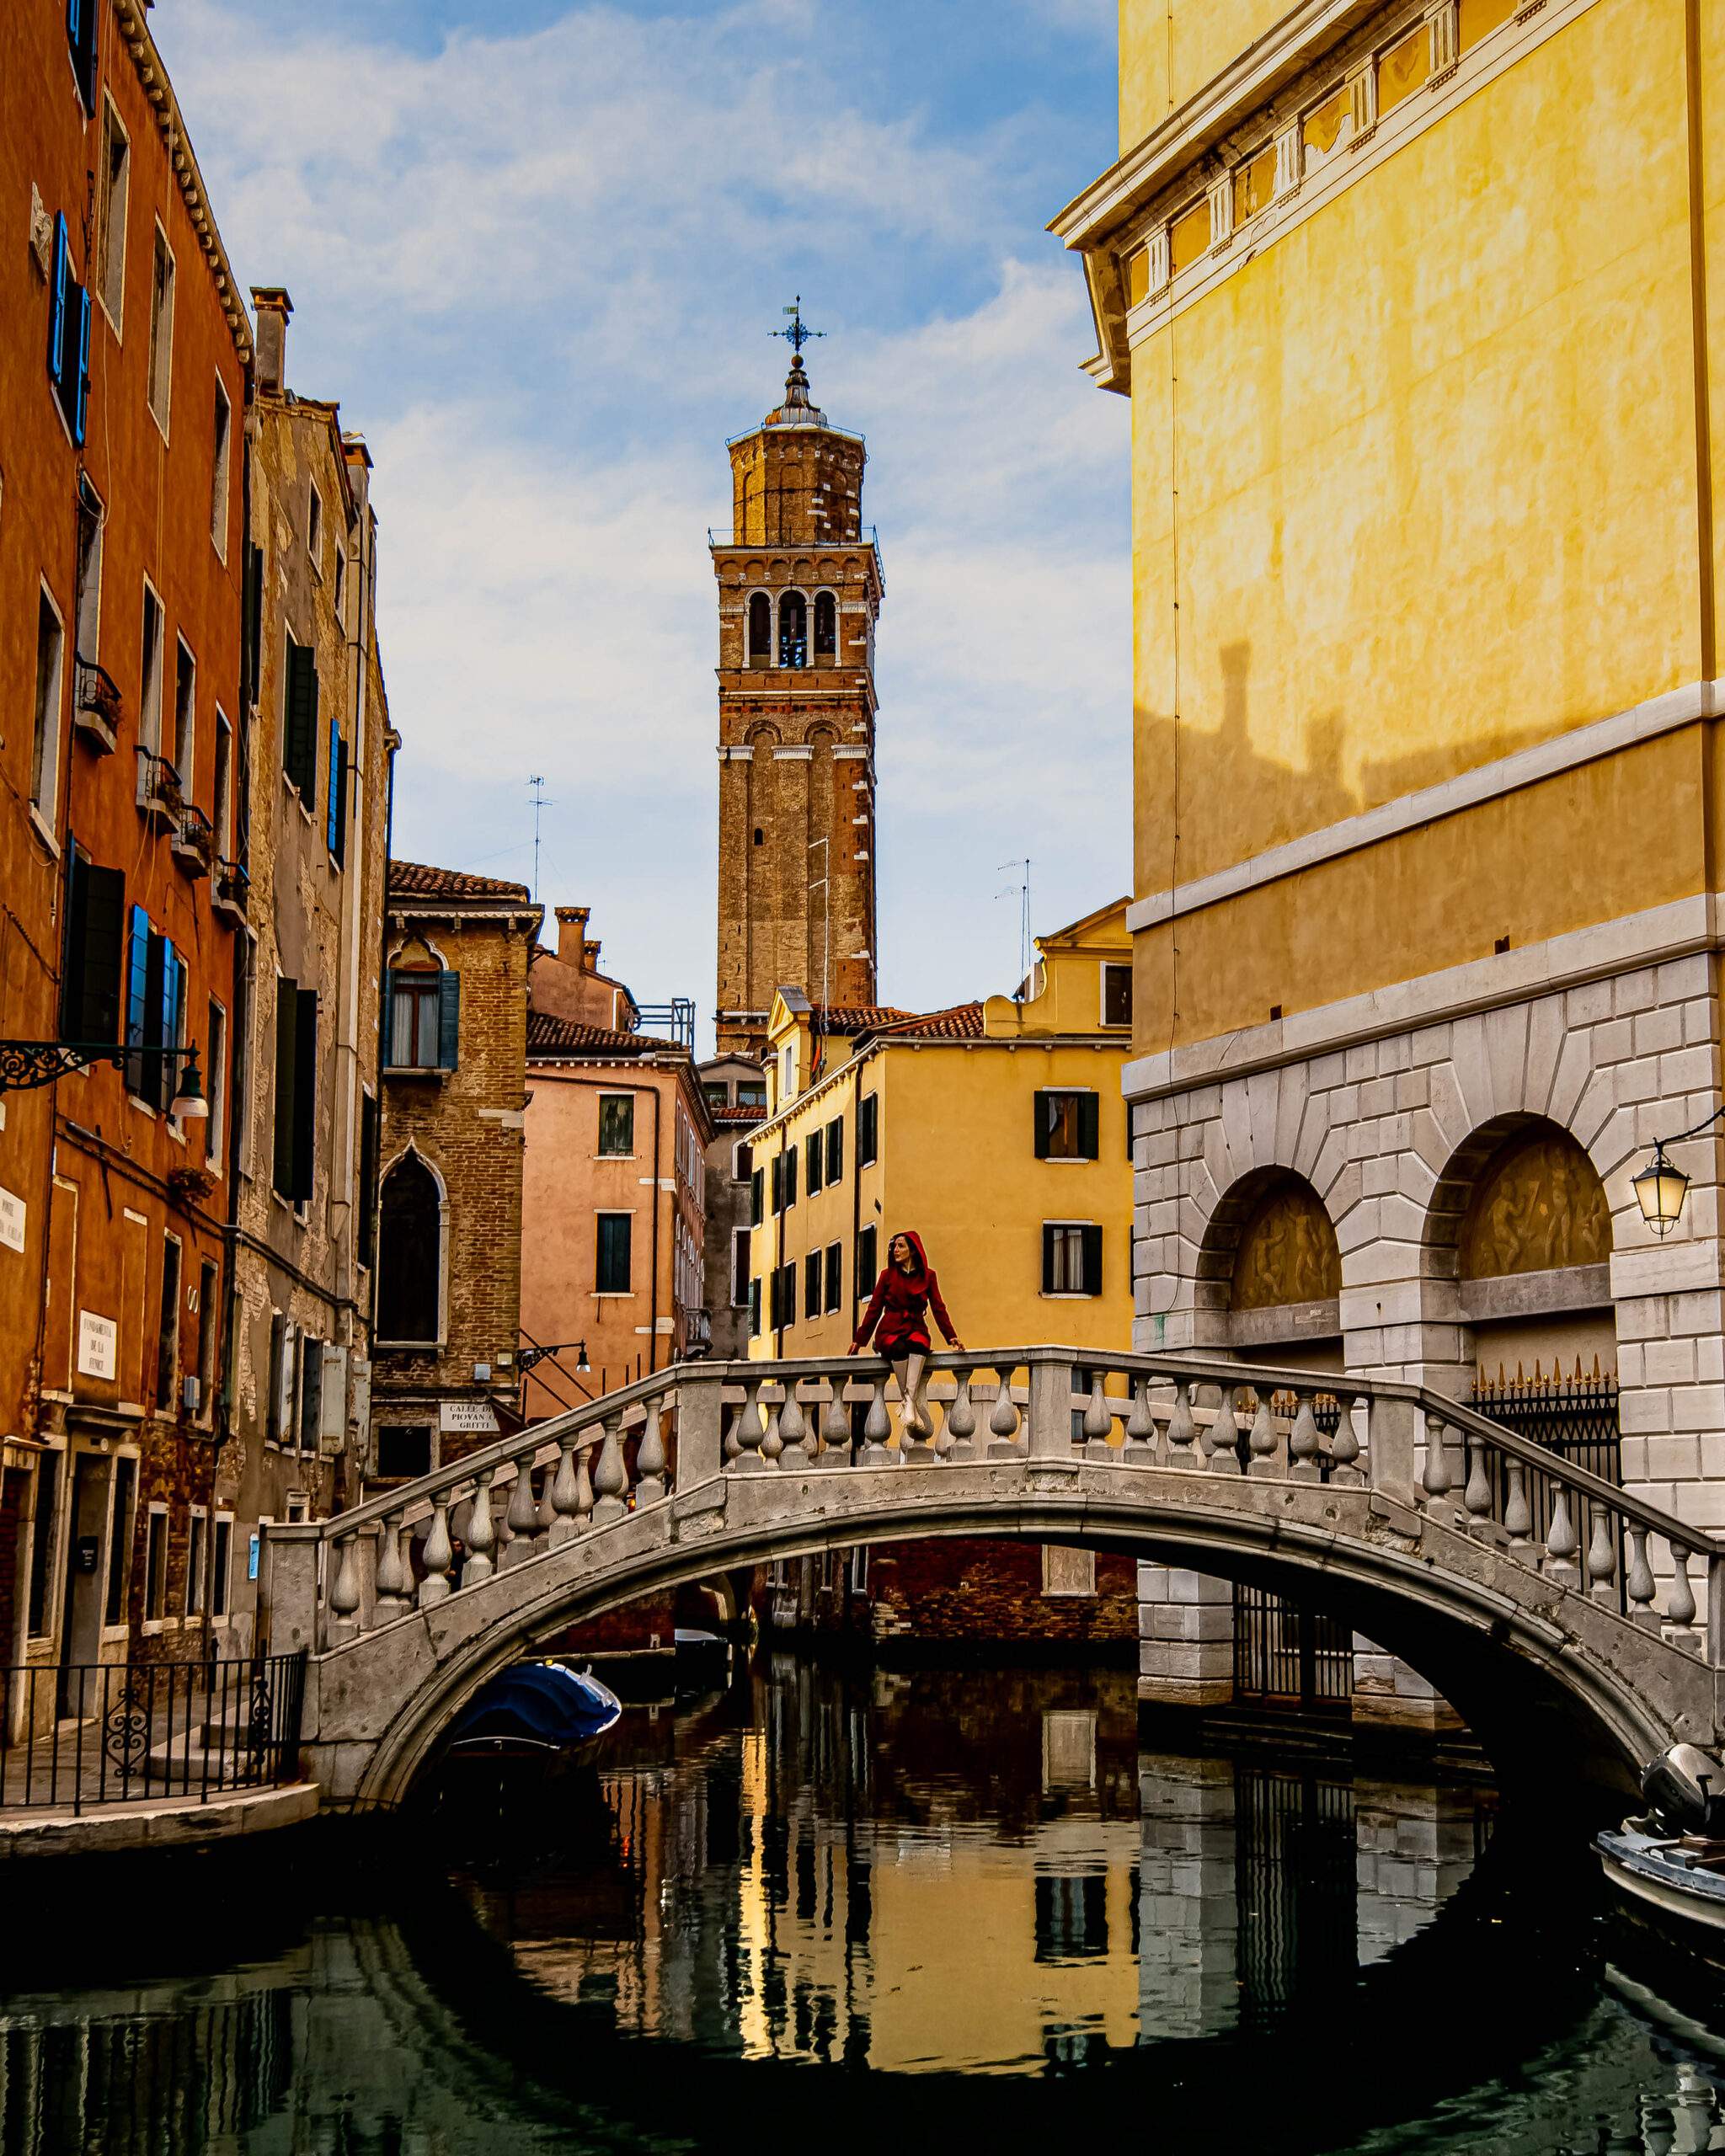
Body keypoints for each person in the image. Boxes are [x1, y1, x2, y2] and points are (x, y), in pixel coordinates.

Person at [847, 1230, 964, 1443]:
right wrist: (859, 1339)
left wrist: (951, 1337)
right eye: (894, 1247)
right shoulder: (887, 1275)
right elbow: (874, 1308)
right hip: (890, 1327)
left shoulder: (929, 1276)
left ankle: (907, 1403)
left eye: (901, 1246)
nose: (896, 1250)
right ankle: (909, 1402)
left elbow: (938, 1308)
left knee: (919, 1346)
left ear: (913, 1249)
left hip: (916, 1327)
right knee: (899, 1348)